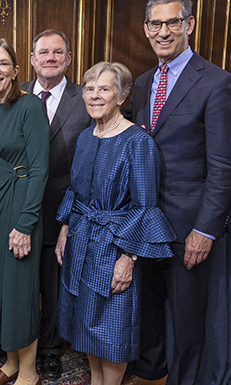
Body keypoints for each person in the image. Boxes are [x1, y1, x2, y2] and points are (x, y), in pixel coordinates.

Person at [127, 0, 231, 385]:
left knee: (188, 318)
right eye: (156, 23)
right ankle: (151, 373)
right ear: (146, 29)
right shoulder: (141, 83)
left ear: (189, 25)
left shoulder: (218, 83)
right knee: (149, 306)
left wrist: (204, 230)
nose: (163, 31)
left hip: (188, 224)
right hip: (147, 222)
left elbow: (224, 167)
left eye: (173, 22)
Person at [54, 61, 176, 385]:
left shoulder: (139, 142)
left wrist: (129, 258)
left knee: (111, 334)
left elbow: (145, 206)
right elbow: (75, 192)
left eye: (104, 89)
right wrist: (64, 231)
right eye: (89, 89)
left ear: (121, 95)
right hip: (81, 242)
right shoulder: (84, 137)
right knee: (86, 327)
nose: (94, 96)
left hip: (115, 248)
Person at [0, 39, 49, 385]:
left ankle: (29, 372)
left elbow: (40, 169)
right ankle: (10, 361)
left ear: (17, 70)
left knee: (19, 291)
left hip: (19, 207)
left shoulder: (29, 106)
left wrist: (25, 223)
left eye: (3, 64)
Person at [20, 29, 91, 381]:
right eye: (43, 52)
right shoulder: (14, 97)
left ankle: (49, 349)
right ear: (32, 59)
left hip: (62, 208)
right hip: (17, 208)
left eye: (57, 52)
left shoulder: (86, 98)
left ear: (68, 59)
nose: (50, 57)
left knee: (52, 283)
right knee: (19, 281)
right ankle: (17, 344)